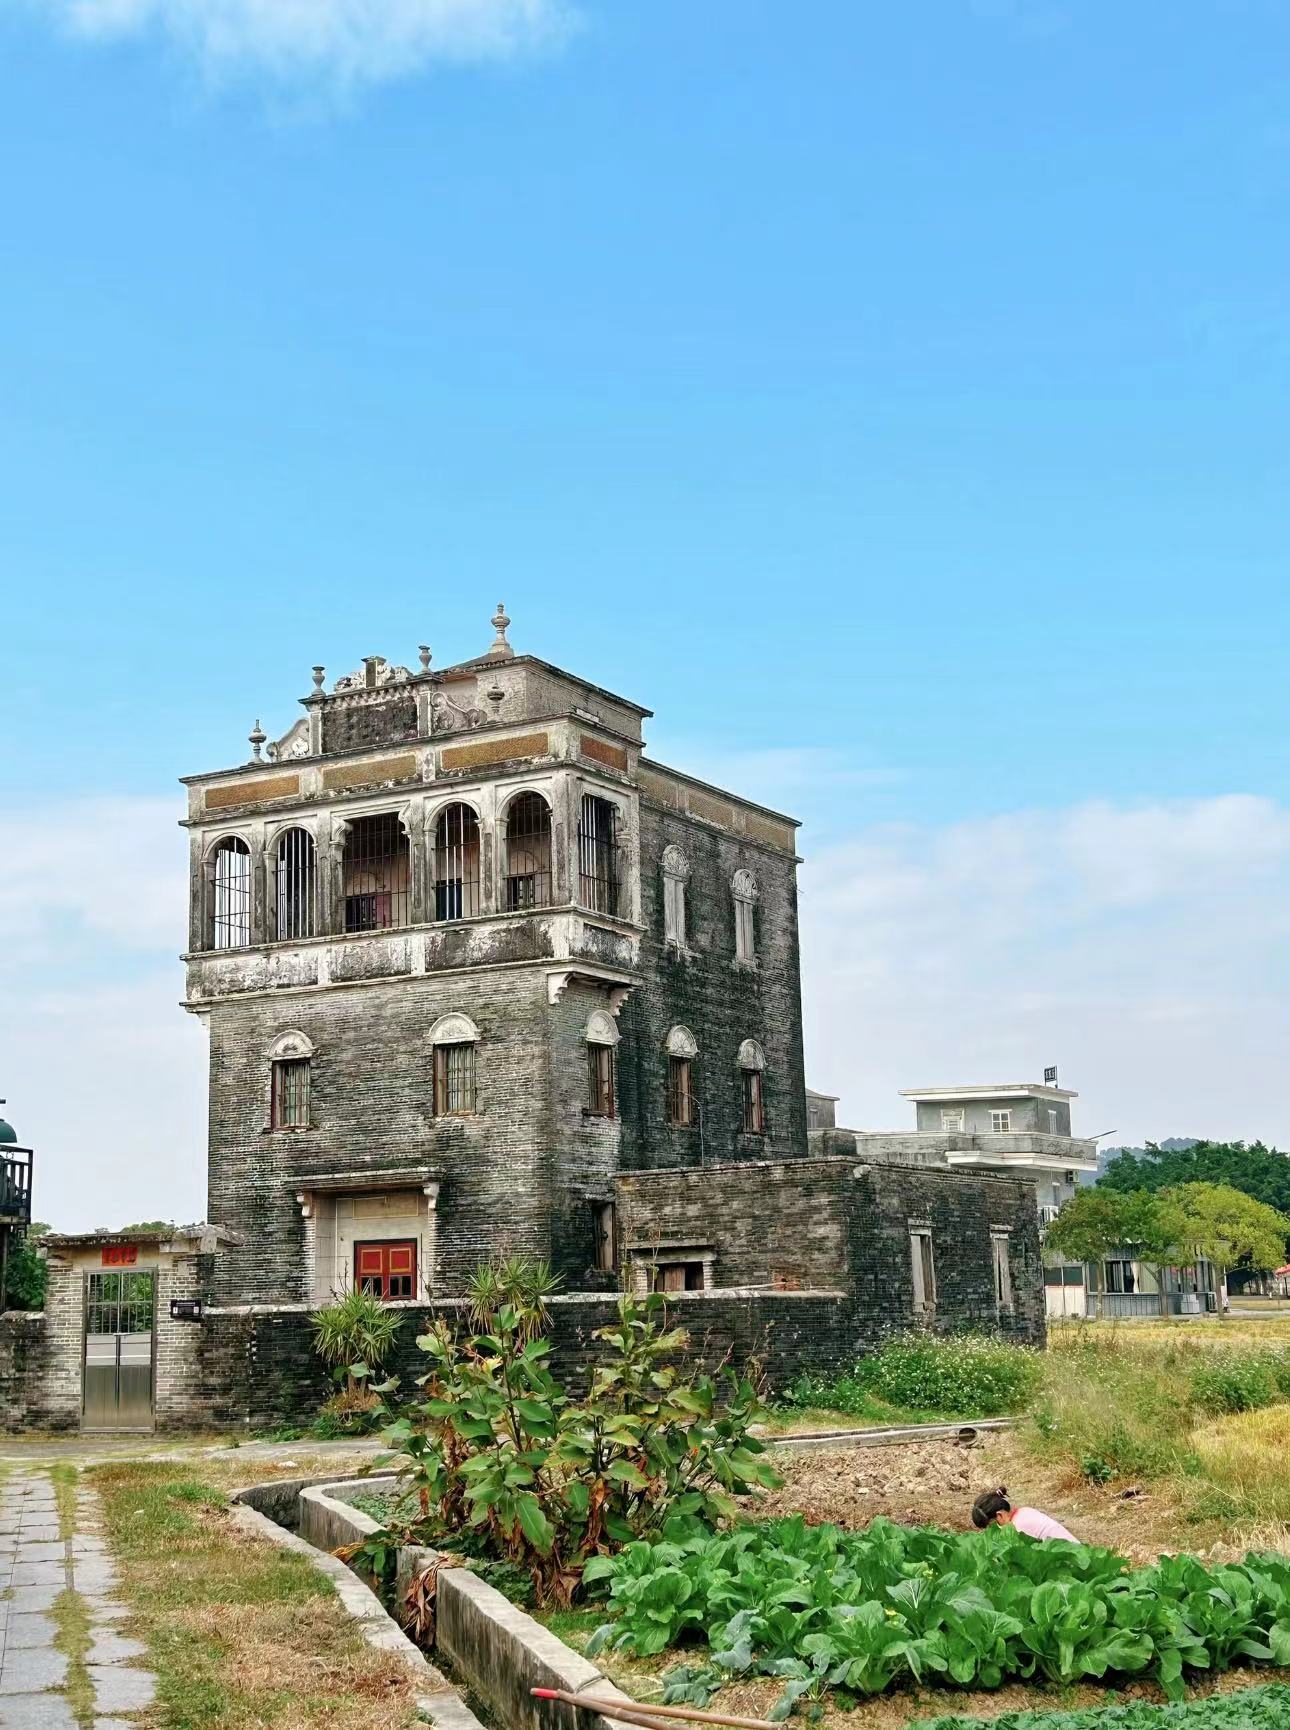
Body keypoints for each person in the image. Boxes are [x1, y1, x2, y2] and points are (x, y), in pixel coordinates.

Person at [970, 1487, 1078, 1543]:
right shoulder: (1023, 1511)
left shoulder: (1018, 1527)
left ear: (999, 1515)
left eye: (993, 1525)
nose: (995, 1528)